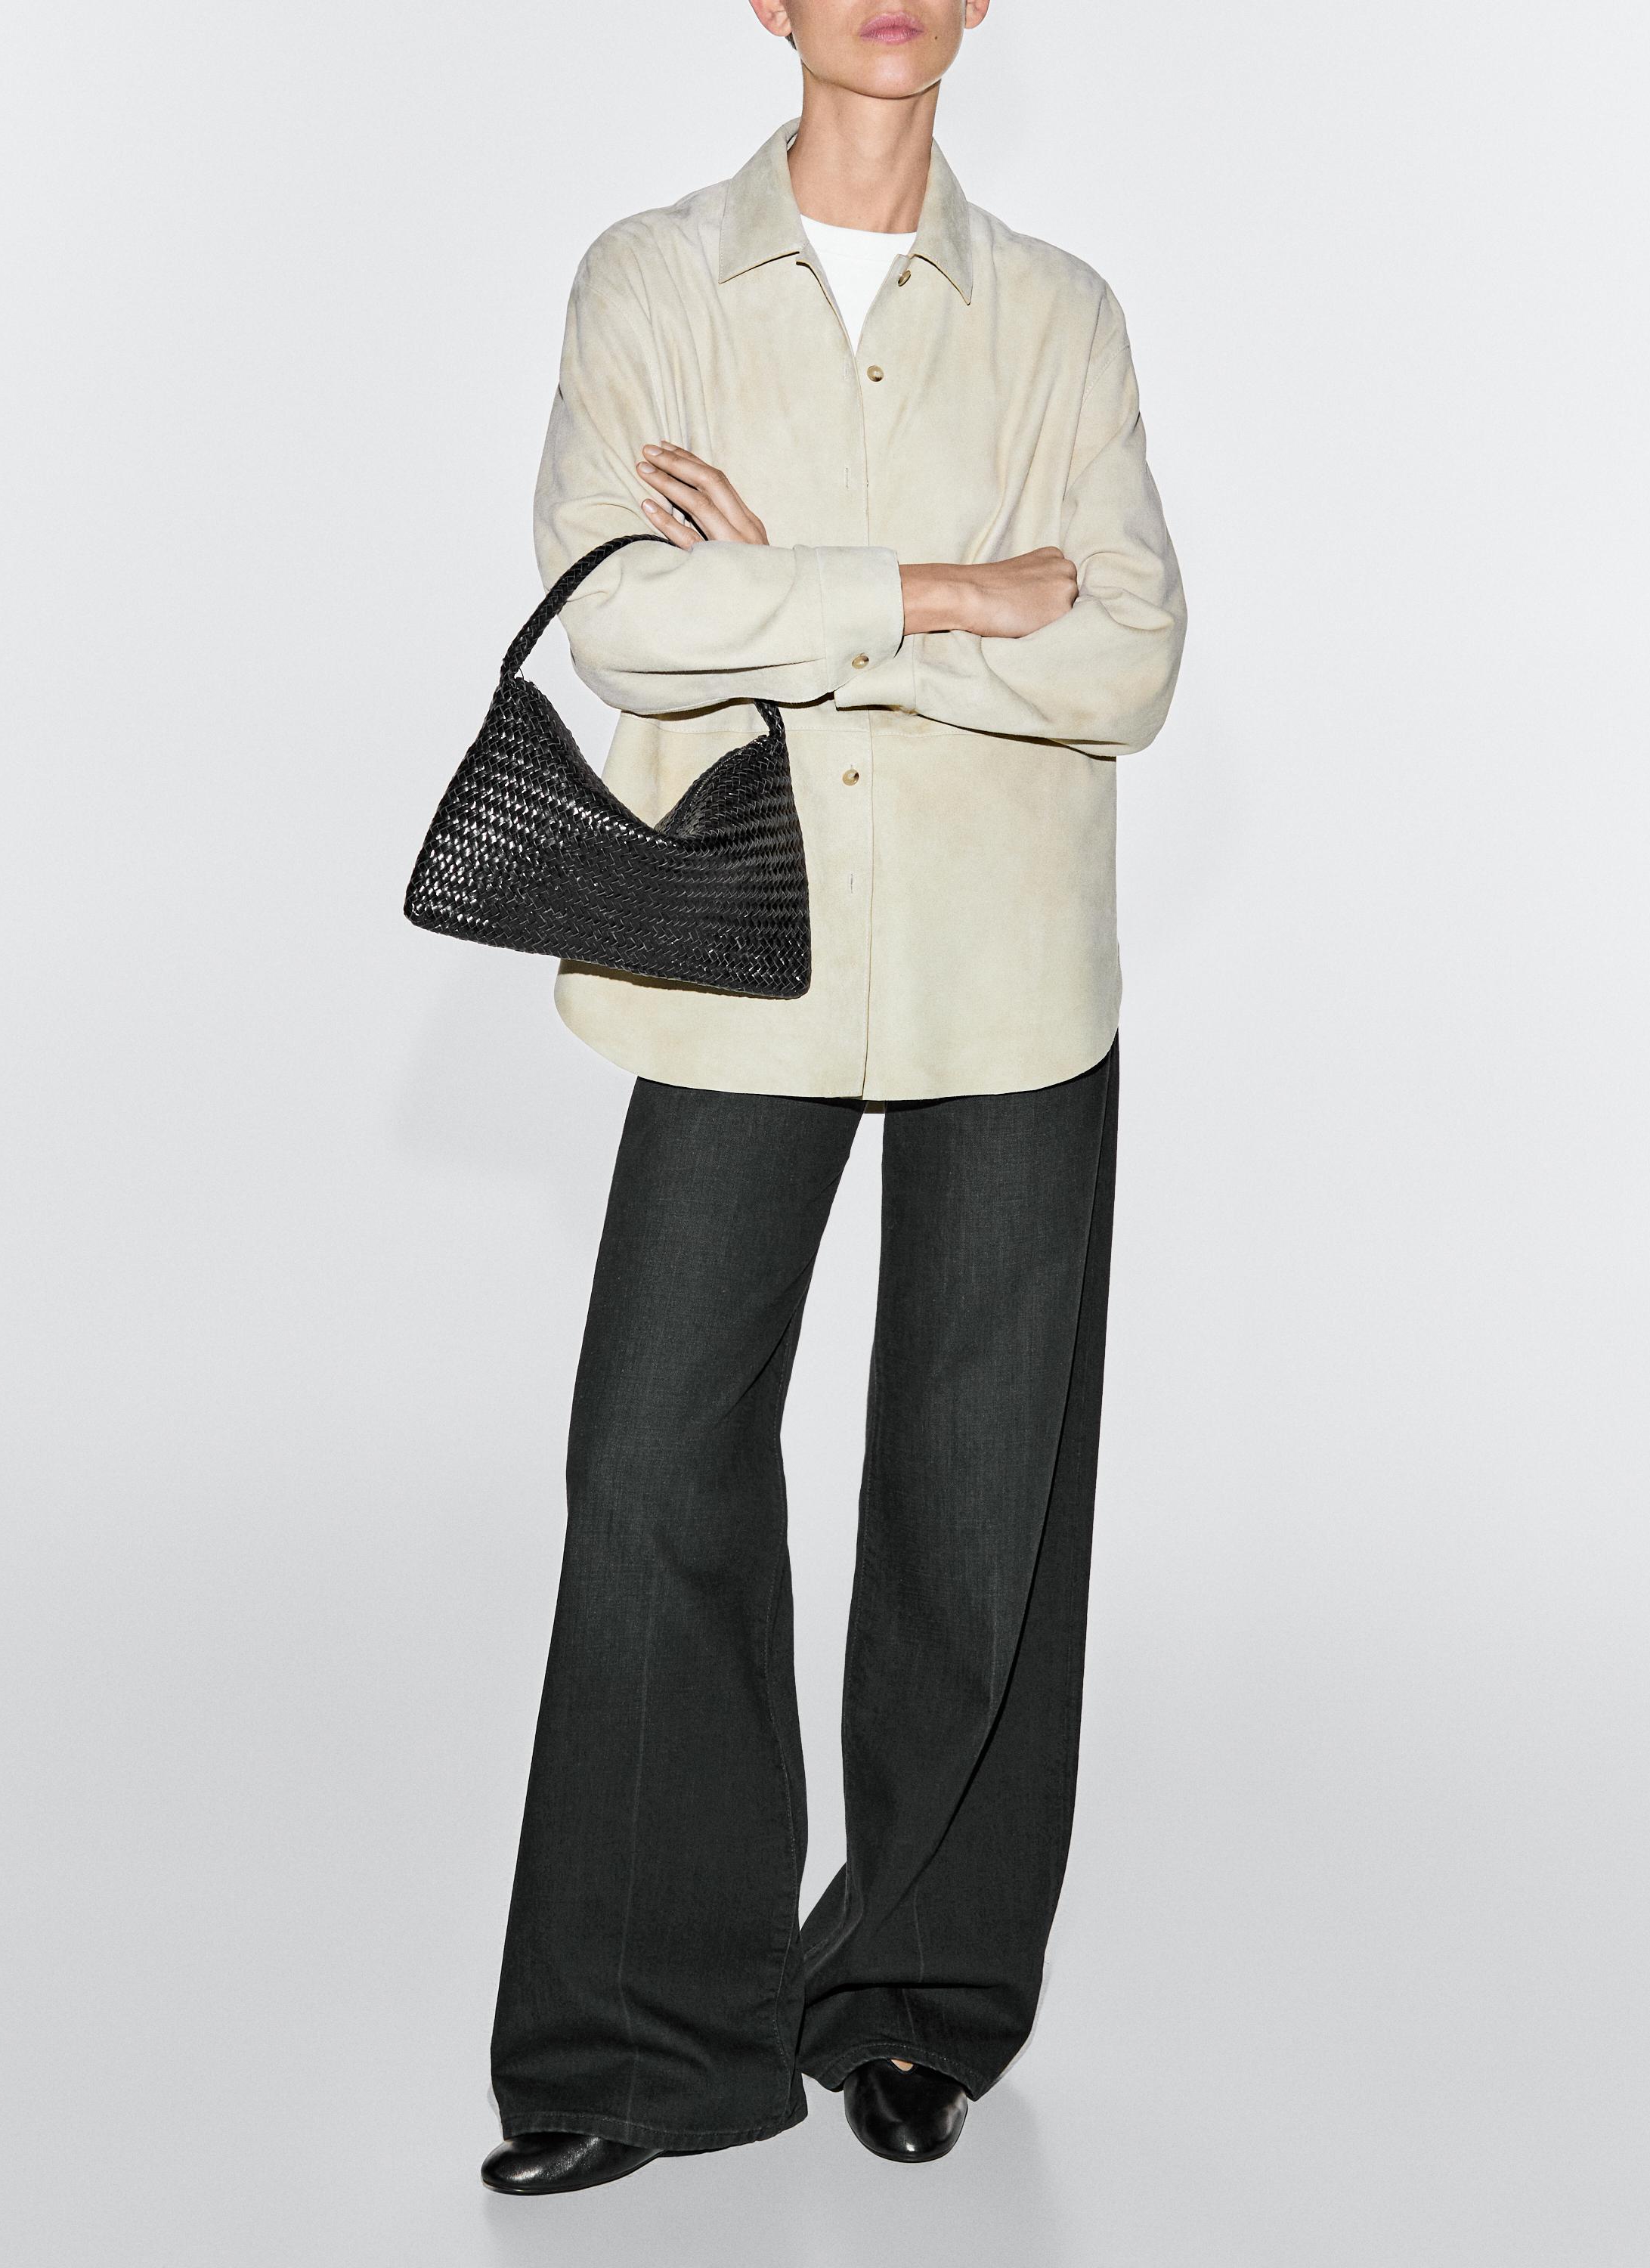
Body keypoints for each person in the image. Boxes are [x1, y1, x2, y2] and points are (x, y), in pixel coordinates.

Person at [482, 0, 1185, 2196]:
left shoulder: (1061, 315)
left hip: (1009, 968)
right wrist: (941, 590)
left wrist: (780, 598)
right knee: (652, 1461)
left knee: (980, 1501)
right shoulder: (652, 281)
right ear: (765, 3)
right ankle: (637, 2038)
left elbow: (1130, 656)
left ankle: (914, 1996)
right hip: (736, 944)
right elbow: (617, 618)